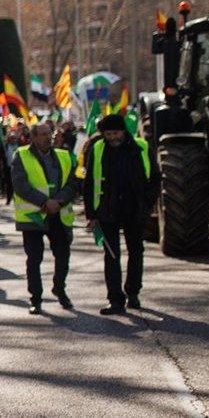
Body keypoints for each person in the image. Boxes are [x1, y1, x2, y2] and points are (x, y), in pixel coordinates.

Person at [82, 113, 158, 315]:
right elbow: (89, 183)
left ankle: (133, 293)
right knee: (112, 255)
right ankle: (115, 299)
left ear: (123, 131)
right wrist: (91, 214)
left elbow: (155, 179)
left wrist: (147, 203)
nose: (112, 138)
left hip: (134, 209)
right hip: (107, 210)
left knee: (136, 252)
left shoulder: (141, 147)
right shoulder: (97, 149)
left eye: (115, 133)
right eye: (108, 134)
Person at [11, 122, 79, 315]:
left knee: (63, 255)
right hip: (34, 216)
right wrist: (44, 202)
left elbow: (72, 183)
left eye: (49, 134)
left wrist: (59, 201)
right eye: (42, 134)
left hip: (58, 214)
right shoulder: (21, 155)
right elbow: (20, 185)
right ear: (32, 137)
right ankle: (36, 298)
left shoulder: (64, 156)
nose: (47, 138)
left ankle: (59, 288)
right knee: (34, 259)